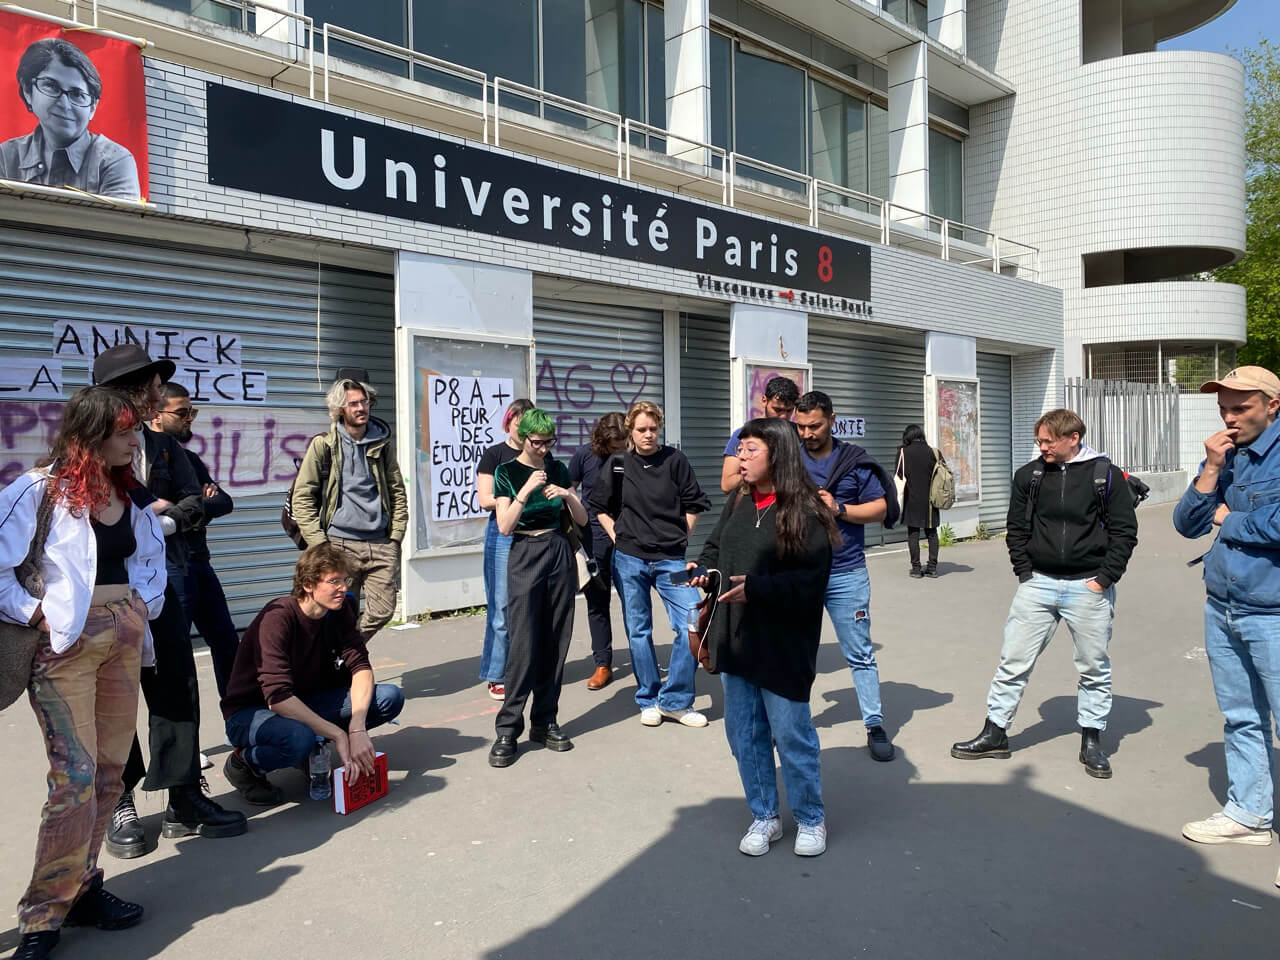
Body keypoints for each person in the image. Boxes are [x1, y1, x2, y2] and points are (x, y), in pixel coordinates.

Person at [0, 387, 165, 960]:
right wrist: (34, 612)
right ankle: (43, 917)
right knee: (74, 780)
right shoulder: (37, 490)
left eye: (134, 430)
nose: (133, 439)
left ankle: (84, 888)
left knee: (109, 776)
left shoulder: (129, 493)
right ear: (89, 434)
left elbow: (148, 555)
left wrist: (142, 604)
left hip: (122, 635)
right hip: (65, 646)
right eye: (122, 431)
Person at [93, 345, 245, 859]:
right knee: (111, 698)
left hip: (165, 583)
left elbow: (197, 499)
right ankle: (119, 801)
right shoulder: (88, 444)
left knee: (177, 683)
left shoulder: (164, 446)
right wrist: (145, 503)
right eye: (155, 383)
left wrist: (167, 516)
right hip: (105, 590)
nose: (162, 391)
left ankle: (184, 796)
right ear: (131, 387)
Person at [951, 408, 1138, 778]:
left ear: (1073, 438)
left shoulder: (1106, 476)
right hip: (1038, 584)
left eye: (1048, 441)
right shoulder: (1030, 475)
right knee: (1012, 661)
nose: (1042, 447)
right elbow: (1016, 526)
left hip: (1089, 587)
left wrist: (1104, 578)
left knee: (1093, 668)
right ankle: (995, 733)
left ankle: (1092, 740)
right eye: (1039, 441)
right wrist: (1024, 572)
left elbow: (1124, 532)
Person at [691, 417, 839, 857]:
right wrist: (701, 571)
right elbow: (715, 547)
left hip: (783, 645)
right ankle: (765, 816)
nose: (741, 456)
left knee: (791, 734)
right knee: (744, 734)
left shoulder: (806, 510)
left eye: (751, 449)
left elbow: (811, 583)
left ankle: (811, 819)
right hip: (735, 639)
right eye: (741, 449)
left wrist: (756, 588)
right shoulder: (739, 500)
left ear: (778, 454)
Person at [1172, 366, 1280, 870]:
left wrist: (1227, 518)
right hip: (1224, 604)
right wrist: (1211, 470)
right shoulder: (1226, 454)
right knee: (1241, 717)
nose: (1230, 419)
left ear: (1272, 405)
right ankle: (1249, 815)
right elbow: (1186, 522)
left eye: (1242, 408)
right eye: (1224, 409)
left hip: (1274, 612)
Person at [221, 544, 405, 805]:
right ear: (308, 584)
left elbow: (361, 666)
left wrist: (357, 728)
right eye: (333, 581)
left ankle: (310, 748)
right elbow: (278, 697)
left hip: (304, 701)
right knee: (298, 738)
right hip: (251, 711)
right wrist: (339, 735)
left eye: (344, 580)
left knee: (389, 697)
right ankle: (244, 763)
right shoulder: (279, 617)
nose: (343, 588)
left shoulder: (340, 610)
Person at [588, 400, 711, 727]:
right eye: (642, 429)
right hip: (630, 559)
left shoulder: (675, 461)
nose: (648, 435)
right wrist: (617, 536)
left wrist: (682, 535)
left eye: (653, 429)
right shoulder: (618, 463)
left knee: (692, 622)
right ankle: (648, 698)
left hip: (671, 559)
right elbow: (599, 506)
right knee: (639, 630)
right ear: (631, 430)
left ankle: (676, 700)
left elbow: (694, 502)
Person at [793, 391, 899, 762]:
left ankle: (874, 723)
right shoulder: (789, 460)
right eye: (801, 426)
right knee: (797, 653)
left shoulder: (854, 462)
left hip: (846, 572)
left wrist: (840, 508)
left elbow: (881, 508)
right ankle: (794, 723)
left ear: (832, 420)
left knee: (860, 653)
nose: (807, 433)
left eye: (815, 426)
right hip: (799, 572)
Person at [487, 408, 588, 767]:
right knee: (524, 641)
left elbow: (582, 519)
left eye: (549, 442)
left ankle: (545, 720)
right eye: (537, 442)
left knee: (556, 639)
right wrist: (526, 491)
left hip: (558, 548)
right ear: (523, 438)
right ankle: (508, 729)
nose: (544, 449)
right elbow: (504, 525)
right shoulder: (507, 471)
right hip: (525, 550)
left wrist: (569, 496)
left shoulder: (558, 468)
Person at [291, 372, 408, 640]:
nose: (361, 408)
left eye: (364, 402)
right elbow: (303, 496)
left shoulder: (382, 444)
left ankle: (345, 653)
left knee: (383, 610)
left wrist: (396, 537)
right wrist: (320, 543)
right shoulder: (325, 445)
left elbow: (397, 492)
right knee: (335, 611)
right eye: (353, 403)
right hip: (339, 543)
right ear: (339, 409)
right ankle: (336, 666)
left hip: (381, 544)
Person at [151, 382, 239, 697]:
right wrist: (198, 504)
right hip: (171, 566)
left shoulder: (190, 459)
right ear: (156, 416)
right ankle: (182, 744)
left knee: (227, 642)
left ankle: (240, 723)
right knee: (176, 653)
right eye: (182, 412)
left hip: (200, 561)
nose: (190, 418)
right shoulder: (148, 459)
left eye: (193, 411)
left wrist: (184, 507)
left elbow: (224, 502)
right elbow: (149, 511)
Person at [0, 38, 141, 199]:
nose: (64, 105)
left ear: (92, 107)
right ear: (28, 91)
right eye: (51, 86)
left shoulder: (115, 161)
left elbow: (117, 223)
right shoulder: (6, 155)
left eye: (77, 94)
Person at [476, 398, 534, 700]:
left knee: (530, 603)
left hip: (535, 532)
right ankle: (497, 673)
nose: (522, 430)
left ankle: (524, 665)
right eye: (517, 423)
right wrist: (514, 497)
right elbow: (484, 498)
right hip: (501, 534)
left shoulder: (537, 454)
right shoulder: (494, 454)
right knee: (501, 604)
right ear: (508, 423)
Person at [568, 412, 628, 690]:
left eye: (623, 443)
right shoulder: (584, 456)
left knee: (634, 603)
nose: (620, 449)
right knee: (597, 602)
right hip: (593, 537)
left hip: (629, 537)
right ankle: (603, 663)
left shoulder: (635, 456)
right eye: (615, 445)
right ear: (602, 440)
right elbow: (570, 490)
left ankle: (642, 662)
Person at [719, 376, 799, 494]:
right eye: (777, 409)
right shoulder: (744, 434)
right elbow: (727, 484)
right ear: (764, 400)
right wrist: (757, 472)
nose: (783, 416)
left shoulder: (798, 432)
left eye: (789, 411)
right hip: (756, 506)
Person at [897, 424, 943, 578]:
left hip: (911, 499)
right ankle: (932, 568)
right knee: (932, 533)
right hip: (931, 500)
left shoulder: (903, 452)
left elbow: (898, 475)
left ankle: (916, 569)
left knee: (913, 533)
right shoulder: (934, 452)